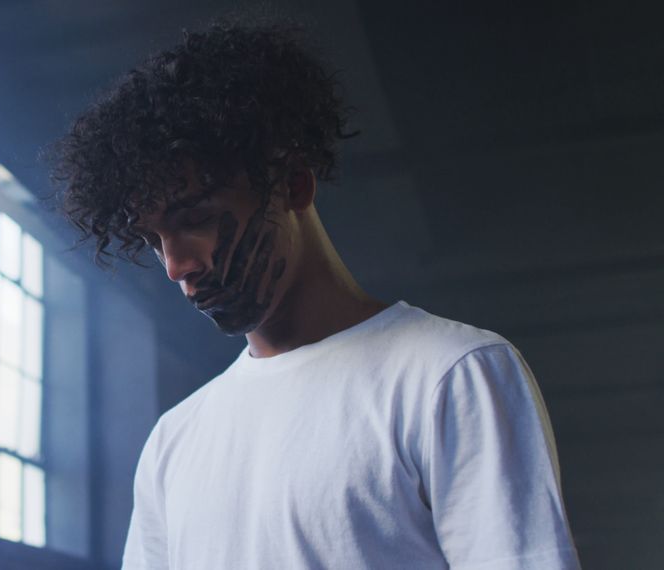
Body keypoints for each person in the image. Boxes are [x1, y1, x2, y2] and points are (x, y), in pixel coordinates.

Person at [49, 22, 580, 570]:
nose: (176, 265)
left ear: (294, 184)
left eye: (198, 220)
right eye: (154, 240)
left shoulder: (450, 375)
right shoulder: (173, 442)